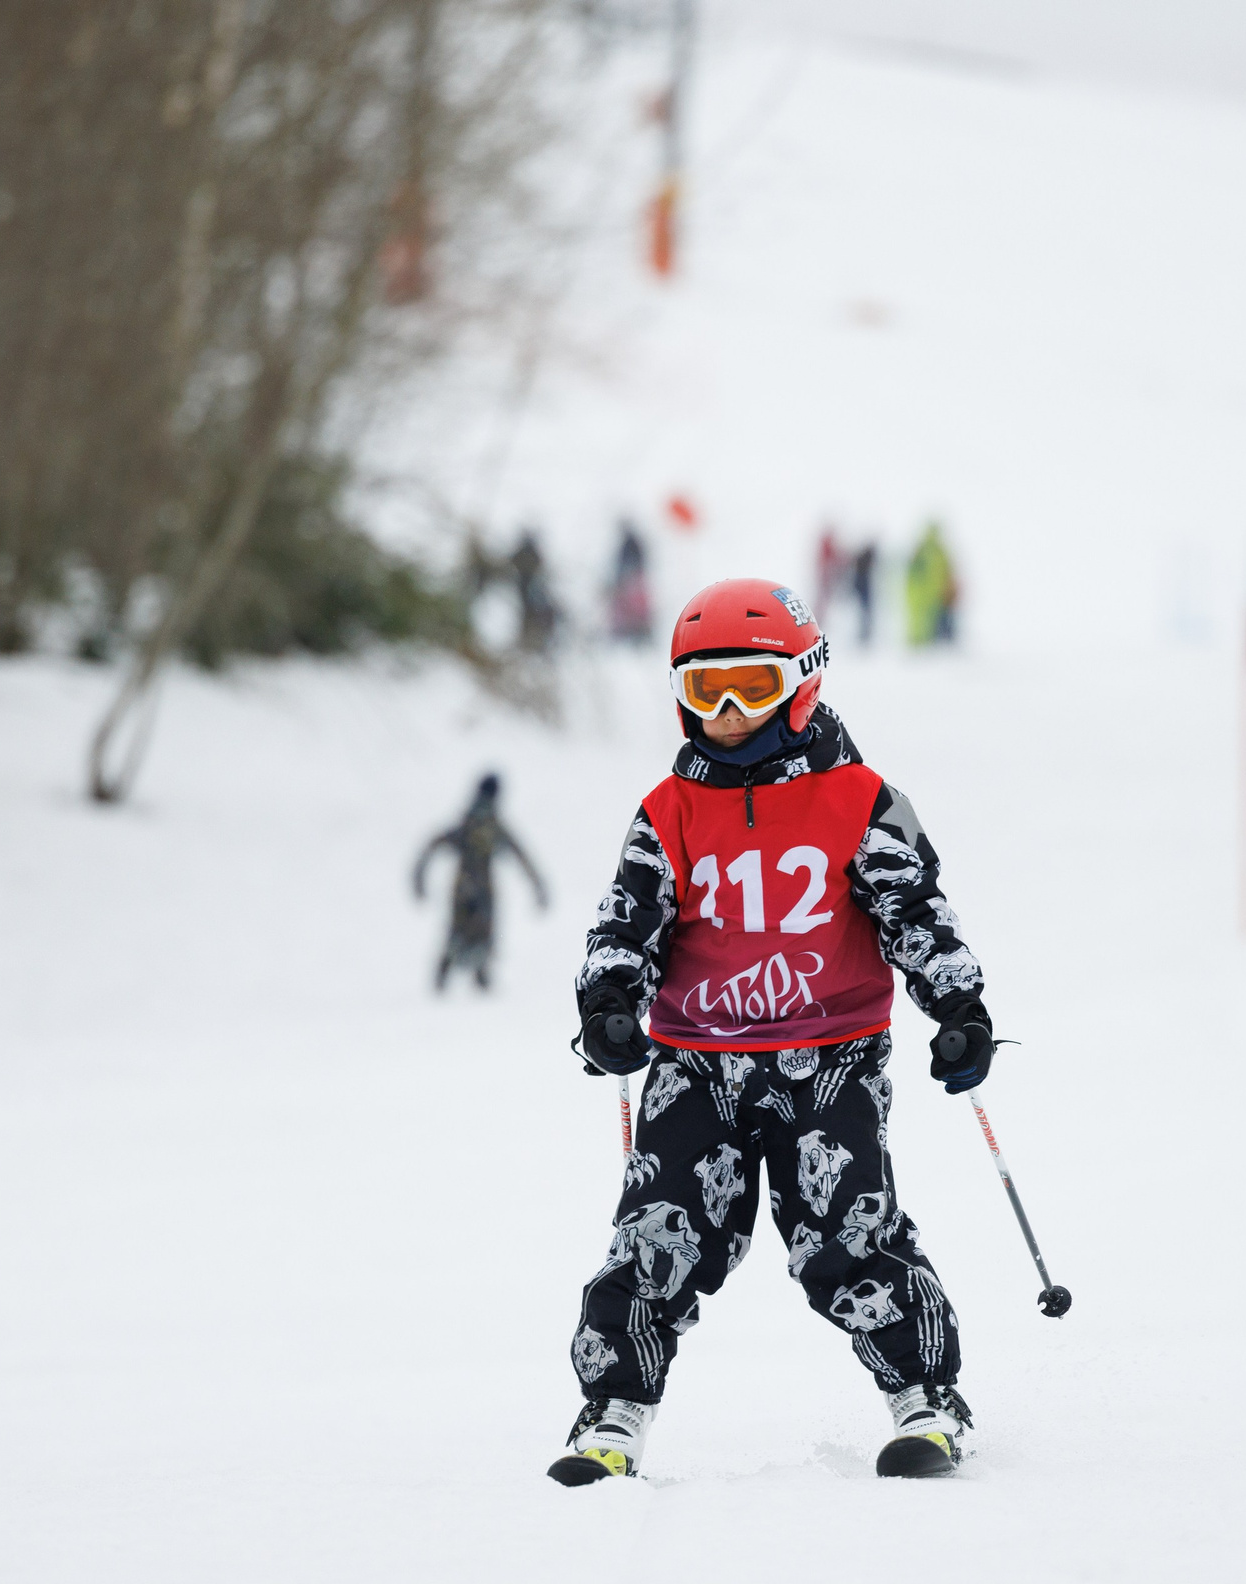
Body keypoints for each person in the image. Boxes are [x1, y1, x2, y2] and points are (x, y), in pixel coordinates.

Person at [556, 578, 992, 1484]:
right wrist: (607, 1006)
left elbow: (916, 911)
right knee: (658, 1235)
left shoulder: (860, 798)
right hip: (696, 1059)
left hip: (826, 1058)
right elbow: (625, 923)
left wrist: (958, 1009)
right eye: (703, 691)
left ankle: (925, 1395)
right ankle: (614, 1411)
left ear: (802, 681)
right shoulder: (669, 811)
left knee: (846, 1232)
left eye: (750, 688)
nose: (725, 713)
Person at [412, 773, 548, 992]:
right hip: (483, 888)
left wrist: (419, 878)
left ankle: (453, 974)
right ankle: (476, 975)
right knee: (480, 931)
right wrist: (538, 887)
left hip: (462, 887)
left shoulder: (467, 821)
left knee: (459, 930)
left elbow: (433, 846)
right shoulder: (493, 826)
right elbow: (521, 855)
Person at [608, 520, 652, 644]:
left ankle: (636, 632)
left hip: (631, 580)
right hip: (629, 580)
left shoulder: (630, 543)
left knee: (633, 607)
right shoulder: (630, 543)